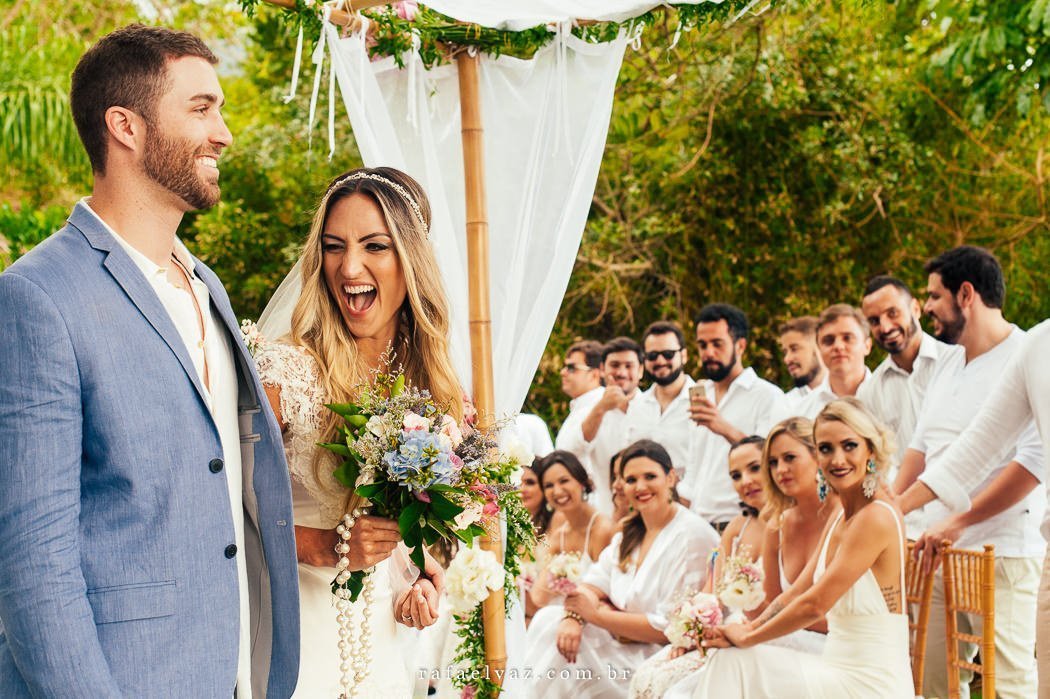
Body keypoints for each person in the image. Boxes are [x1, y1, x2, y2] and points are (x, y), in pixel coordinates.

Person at [0, 25, 300, 697]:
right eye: (200, 108)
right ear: (125, 127)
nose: (222, 132)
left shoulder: (207, 284)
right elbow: (32, 567)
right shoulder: (37, 297)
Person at [253, 167, 453, 696]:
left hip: (377, 641)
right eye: (334, 246)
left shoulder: (423, 390)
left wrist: (420, 572)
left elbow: (385, 524)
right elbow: (217, 509)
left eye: (375, 246)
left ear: (410, 263)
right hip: (292, 628)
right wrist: (320, 546)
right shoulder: (285, 374)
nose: (349, 266)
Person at [890, 246, 1044, 699]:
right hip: (935, 548)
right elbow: (937, 450)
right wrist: (891, 508)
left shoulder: (1025, 352)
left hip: (1004, 551)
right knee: (933, 678)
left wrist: (959, 521)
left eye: (933, 297)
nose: (928, 308)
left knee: (1008, 682)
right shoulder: (947, 364)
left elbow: (1031, 466)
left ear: (966, 294)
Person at [690, 398, 912, 698]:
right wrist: (747, 629)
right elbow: (796, 592)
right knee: (730, 660)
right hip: (834, 668)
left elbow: (814, 605)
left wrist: (749, 637)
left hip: (869, 682)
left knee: (736, 662)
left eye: (849, 446)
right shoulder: (842, 518)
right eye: (825, 448)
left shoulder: (875, 516)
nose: (837, 459)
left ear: (870, 450)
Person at [524, 440, 719, 698]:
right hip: (622, 643)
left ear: (671, 477)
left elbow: (668, 628)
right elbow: (593, 582)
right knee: (549, 619)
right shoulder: (630, 532)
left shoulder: (691, 535)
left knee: (555, 645)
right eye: (630, 480)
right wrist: (574, 618)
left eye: (650, 476)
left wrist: (595, 616)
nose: (640, 487)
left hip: (657, 653)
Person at [628, 436, 768, 698]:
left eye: (754, 468)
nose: (745, 481)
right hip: (722, 630)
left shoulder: (787, 523)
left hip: (758, 633)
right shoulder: (738, 528)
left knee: (674, 690)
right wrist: (690, 632)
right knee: (646, 675)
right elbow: (711, 589)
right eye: (736, 476)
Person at [857, 275, 950, 537]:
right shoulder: (869, 391)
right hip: (906, 526)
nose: (885, 327)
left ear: (916, 309)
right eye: (874, 321)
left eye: (892, 313)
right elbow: (872, 462)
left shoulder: (954, 362)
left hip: (960, 521)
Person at [685, 304, 785, 529]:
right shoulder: (701, 395)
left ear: (740, 346)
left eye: (717, 344)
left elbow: (770, 458)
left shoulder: (767, 396)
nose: (708, 353)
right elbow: (693, 468)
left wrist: (722, 427)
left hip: (742, 520)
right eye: (702, 345)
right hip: (696, 522)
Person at [528, 451, 614, 610]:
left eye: (564, 481)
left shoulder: (602, 530)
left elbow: (608, 592)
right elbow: (539, 596)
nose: (558, 491)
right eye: (549, 485)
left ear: (582, 483)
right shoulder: (560, 533)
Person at [574, 337, 646, 515]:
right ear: (602, 370)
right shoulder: (589, 411)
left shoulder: (653, 409)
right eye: (614, 365)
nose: (621, 372)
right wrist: (601, 408)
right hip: (606, 514)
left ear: (641, 371)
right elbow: (573, 452)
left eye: (629, 366)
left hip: (648, 516)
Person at [625, 321, 697, 485]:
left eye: (668, 354)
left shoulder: (703, 400)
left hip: (692, 505)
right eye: (652, 355)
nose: (660, 361)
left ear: (684, 355)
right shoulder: (637, 405)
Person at [792, 304, 871, 419]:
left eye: (847, 338)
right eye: (828, 340)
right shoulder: (802, 413)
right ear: (819, 348)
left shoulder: (890, 397)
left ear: (867, 346)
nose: (838, 346)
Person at [554, 340, 604, 453]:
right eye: (564, 367)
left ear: (594, 374)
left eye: (571, 368)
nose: (563, 372)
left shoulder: (603, 407)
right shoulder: (580, 406)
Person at [778, 316, 826, 407]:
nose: (787, 359)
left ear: (818, 347)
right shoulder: (786, 404)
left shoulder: (850, 392)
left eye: (794, 349)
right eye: (785, 352)